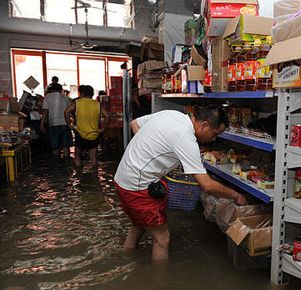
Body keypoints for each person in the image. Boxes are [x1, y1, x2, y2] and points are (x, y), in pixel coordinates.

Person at [114, 106, 247, 261]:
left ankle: (126, 258)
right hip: (138, 188)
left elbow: (135, 123)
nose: (214, 139)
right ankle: (159, 281)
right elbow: (207, 185)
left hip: (123, 179)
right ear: (204, 125)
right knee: (162, 239)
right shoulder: (186, 138)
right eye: (215, 134)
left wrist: (153, 152)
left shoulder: (171, 114)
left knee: (138, 225)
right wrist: (236, 196)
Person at [64, 85, 110, 168]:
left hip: (80, 133)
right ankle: (94, 176)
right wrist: (103, 128)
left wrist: (69, 124)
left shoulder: (77, 103)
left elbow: (66, 111)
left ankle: (79, 174)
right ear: (92, 94)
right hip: (94, 134)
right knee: (93, 157)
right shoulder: (97, 104)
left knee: (77, 154)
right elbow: (107, 116)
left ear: (82, 93)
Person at [41, 83, 72, 158]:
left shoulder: (47, 97)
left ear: (51, 89)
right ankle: (66, 164)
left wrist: (42, 123)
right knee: (66, 146)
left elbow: (45, 111)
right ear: (61, 90)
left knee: (55, 146)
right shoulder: (66, 98)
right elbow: (69, 110)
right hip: (65, 123)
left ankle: (56, 164)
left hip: (53, 123)